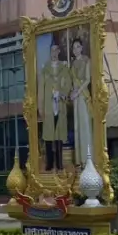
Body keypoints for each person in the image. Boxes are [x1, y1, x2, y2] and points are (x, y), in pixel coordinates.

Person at [40, 39, 70, 170]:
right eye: (52, 50)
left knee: (58, 135)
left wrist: (62, 93)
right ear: (50, 52)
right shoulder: (45, 69)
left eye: (56, 50)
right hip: (48, 106)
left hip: (60, 104)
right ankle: (49, 163)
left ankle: (59, 163)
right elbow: (41, 88)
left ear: (59, 51)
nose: (54, 52)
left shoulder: (64, 68)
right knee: (48, 137)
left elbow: (68, 83)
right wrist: (40, 107)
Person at [69, 36, 92, 162]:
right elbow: (72, 81)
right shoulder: (73, 64)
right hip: (75, 96)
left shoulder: (86, 60)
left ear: (82, 47)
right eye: (74, 47)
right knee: (77, 126)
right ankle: (79, 160)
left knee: (85, 126)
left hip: (83, 94)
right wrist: (72, 92)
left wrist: (78, 91)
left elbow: (88, 79)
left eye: (78, 47)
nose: (76, 49)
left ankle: (88, 158)